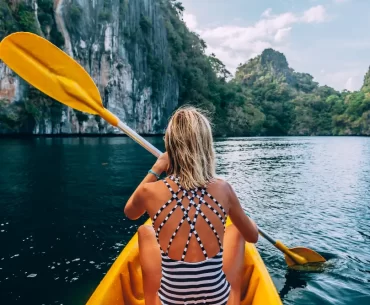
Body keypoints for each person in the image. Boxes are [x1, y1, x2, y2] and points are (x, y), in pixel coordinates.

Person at [124, 106, 259, 305]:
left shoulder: (149, 192)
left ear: (170, 147)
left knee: (145, 231)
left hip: (171, 301)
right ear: (206, 146)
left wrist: (157, 168)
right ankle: (235, 297)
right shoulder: (224, 189)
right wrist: (251, 224)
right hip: (217, 300)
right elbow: (253, 237)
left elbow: (130, 213)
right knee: (238, 231)